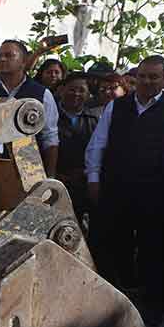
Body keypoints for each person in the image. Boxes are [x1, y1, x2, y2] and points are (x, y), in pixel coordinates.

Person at [85, 55, 164, 327]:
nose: (147, 82)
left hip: (156, 191)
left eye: (153, 77)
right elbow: (97, 144)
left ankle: (153, 306)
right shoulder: (116, 107)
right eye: (143, 76)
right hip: (117, 188)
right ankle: (112, 307)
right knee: (115, 247)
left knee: (153, 250)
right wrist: (93, 178)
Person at [0, 40, 60, 175]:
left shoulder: (42, 94)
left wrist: (50, 175)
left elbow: (50, 138)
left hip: (28, 171)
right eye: (0, 56)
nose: (2, 59)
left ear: (24, 61)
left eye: (9, 55)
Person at [55, 71, 101, 223]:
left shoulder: (95, 120)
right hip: (56, 182)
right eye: (72, 89)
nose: (76, 94)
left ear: (88, 95)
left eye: (82, 90)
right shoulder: (50, 116)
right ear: (62, 90)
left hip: (84, 183)